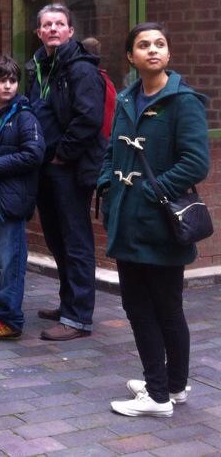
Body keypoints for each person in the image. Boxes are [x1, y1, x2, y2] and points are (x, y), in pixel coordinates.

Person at [101, 23, 209, 418]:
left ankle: (158, 395)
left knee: (156, 307)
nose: (152, 50)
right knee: (145, 304)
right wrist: (106, 183)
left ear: (168, 53)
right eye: (143, 45)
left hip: (160, 222)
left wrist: (152, 191)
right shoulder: (128, 98)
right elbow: (112, 151)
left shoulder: (183, 102)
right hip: (127, 220)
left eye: (160, 44)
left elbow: (196, 163)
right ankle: (173, 386)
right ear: (130, 56)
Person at [26, 3, 106, 341]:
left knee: (75, 241)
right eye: (47, 25)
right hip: (45, 166)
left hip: (68, 168)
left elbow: (89, 118)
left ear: (71, 31)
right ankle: (67, 304)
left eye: (60, 23)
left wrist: (62, 155)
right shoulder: (39, 67)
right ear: (39, 32)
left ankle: (78, 319)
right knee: (57, 239)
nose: (54, 29)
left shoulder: (80, 69)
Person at [0, 56, 44, 340]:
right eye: (1, 80)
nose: (7, 85)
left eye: (12, 80)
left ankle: (10, 319)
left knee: (10, 261)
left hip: (10, 200)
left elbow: (34, 154)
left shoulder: (24, 116)